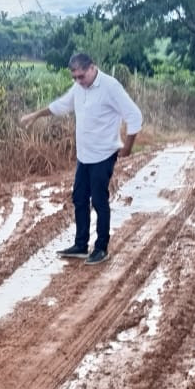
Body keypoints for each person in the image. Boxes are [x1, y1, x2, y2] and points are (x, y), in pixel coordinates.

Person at [19, 53, 143, 265]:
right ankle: (81, 244)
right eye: (75, 77)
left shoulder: (110, 87)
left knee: (99, 200)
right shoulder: (79, 88)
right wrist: (35, 115)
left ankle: (101, 248)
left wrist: (128, 147)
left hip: (103, 154)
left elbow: (135, 116)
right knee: (79, 198)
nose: (78, 81)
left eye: (82, 76)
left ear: (92, 68)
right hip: (84, 156)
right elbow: (61, 105)